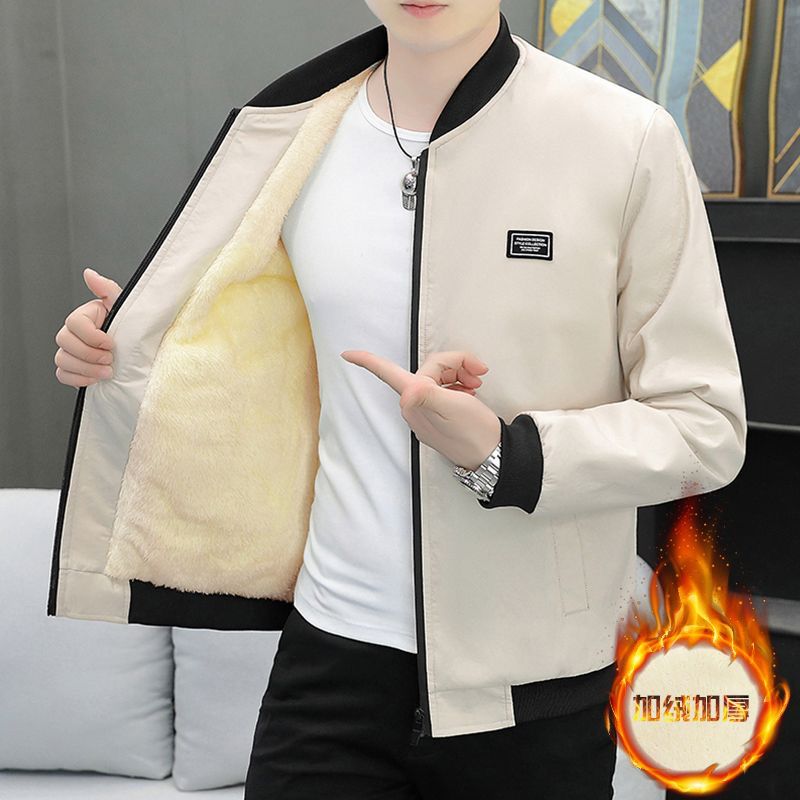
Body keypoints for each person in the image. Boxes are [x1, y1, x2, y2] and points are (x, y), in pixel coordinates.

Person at [51, 1, 747, 798]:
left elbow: (705, 424)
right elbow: (258, 352)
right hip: (328, 663)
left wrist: (507, 454)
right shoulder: (289, 134)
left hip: (530, 688)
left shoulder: (625, 139)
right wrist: (124, 349)